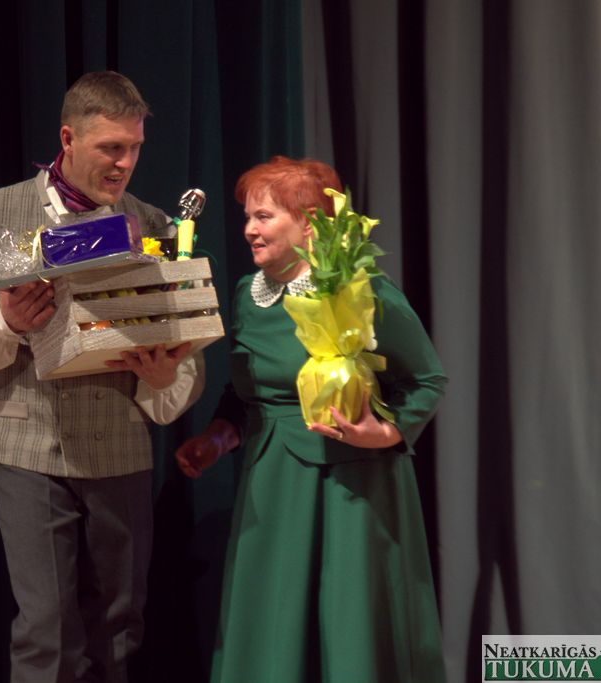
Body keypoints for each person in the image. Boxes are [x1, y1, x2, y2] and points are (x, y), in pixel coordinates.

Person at [0, 71, 204, 683]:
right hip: (27, 446)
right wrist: (4, 319)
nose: (125, 163)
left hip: (119, 447)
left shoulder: (153, 223)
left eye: (134, 148)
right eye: (110, 148)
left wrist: (164, 374)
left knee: (119, 629)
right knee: (47, 633)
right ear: (68, 139)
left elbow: (185, 349)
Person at [175, 156, 447, 682]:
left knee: (347, 621)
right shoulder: (248, 296)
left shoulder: (361, 290)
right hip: (271, 481)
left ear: (310, 224)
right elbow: (247, 392)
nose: (249, 229)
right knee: (273, 620)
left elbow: (427, 379)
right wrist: (217, 439)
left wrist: (383, 433)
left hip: (351, 487)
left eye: (264, 216)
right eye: (248, 216)